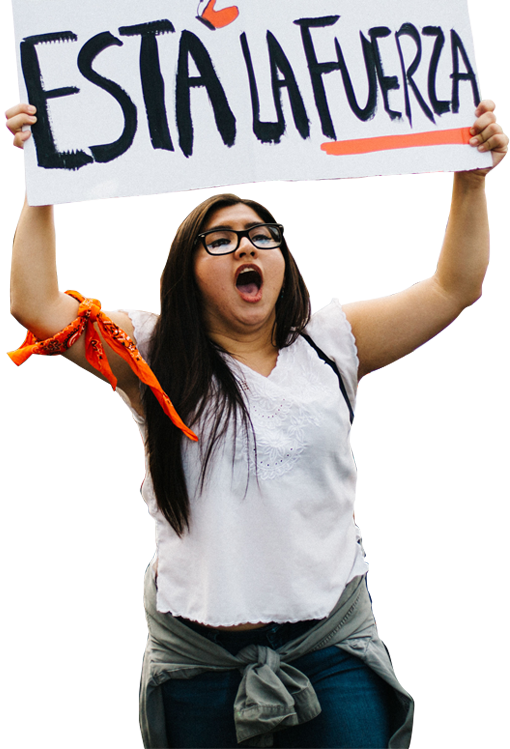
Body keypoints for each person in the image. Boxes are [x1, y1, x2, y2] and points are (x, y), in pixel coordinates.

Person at [5, 100, 507, 749]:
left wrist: (469, 178)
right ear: (188, 271)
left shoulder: (334, 340)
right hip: (200, 660)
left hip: (328, 647)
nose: (246, 243)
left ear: (281, 263)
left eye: (261, 234)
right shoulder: (151, 351)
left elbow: (453, 287)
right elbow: (37, 305)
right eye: (220, 238)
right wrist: (44, 180)